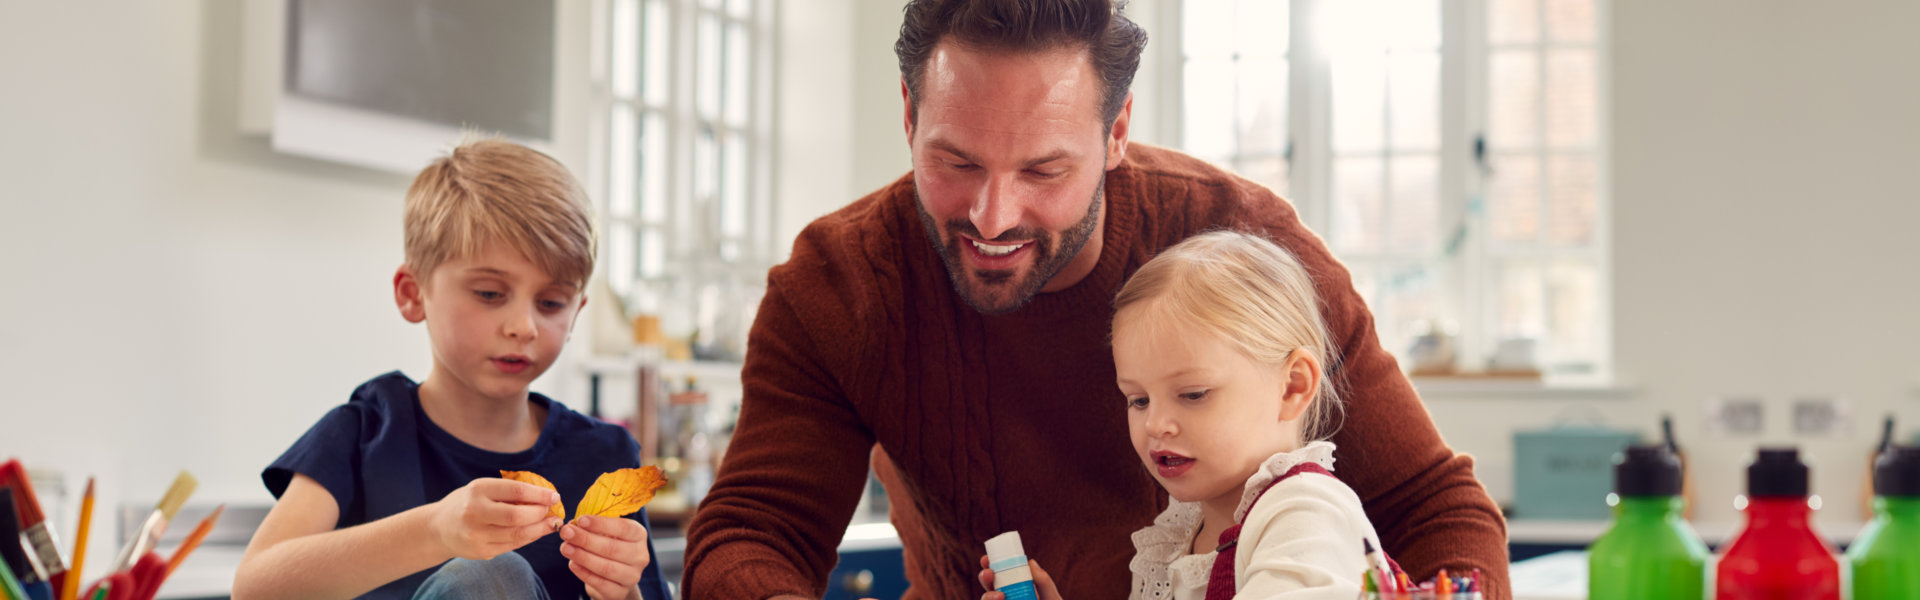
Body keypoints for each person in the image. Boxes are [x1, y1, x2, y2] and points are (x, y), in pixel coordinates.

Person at [683, 1, 1509, 598]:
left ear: (1115, 134)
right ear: (908, 113)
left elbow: (1431, 506)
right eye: (957, 163)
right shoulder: (840, 284)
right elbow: (754, 532)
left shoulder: (1246, 246)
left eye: (1044, 170)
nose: (992, 216)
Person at [234, 137, 672, 600]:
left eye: (550, 303)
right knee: (490, 577)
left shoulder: (603, 454)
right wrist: (435, 531)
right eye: (489, 293)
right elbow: (254, 587)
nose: (523, 326)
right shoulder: (363, 433)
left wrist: (623, 593)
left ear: (576, 313)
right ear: (412, 293)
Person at [975, 230, 1391, 600]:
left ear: (1293, 386)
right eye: (1138, 400)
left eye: (1192, 394)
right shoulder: (1181, 535)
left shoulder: (1306, 515)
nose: (1155, 424)